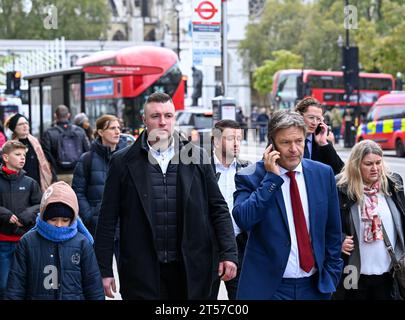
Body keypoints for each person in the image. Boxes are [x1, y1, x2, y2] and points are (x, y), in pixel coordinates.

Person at [94, 92, 237, 300]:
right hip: (141, 271)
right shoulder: (122, 162)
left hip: (190, 269)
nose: (163, 122)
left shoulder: (197, 156)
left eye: (168, 116)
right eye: (155, 116)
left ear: (174, 119)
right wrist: (104, 269)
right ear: (144, 120)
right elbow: (107, 218)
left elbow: (218, 208)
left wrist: (228, 254)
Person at [232, 110, 343, 300]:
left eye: (299, 141)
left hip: (315, 287)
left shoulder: (323, 174)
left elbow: (332, 231)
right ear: (271, 145)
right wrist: (271, 179)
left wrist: (331, 275)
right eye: (285, 142)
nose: (294, 149)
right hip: (270, 289)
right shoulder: (250, 175)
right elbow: (244, 219)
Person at [6, 181, 105, 300]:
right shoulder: (27, 242)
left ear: (72, 218)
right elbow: (16, 285)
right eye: (53, 219)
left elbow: (93, 286)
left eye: (65, 220)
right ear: (44, 216)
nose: (59, 225)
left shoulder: (82, 243)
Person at [334, 140, 405, 300]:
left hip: (389, 271)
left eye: (378, 162)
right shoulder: (341, 188)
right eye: (368, 164)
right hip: (352, 271)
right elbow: (325, 224)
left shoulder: (393, 184)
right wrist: (340, 239)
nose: (375, 168)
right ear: (356, 165)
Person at [210, 119, 251, 300]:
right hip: (209, 246)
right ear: (217, 140)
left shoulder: (247, 169)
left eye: (239, 138)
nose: (236, 144)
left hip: (239, 246)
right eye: (230, 138)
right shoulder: (201, 168)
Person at [0, 140, 42, 299]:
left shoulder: (30, 182)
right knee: (3, 284)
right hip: (2, 241)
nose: (22, 158)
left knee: (27, 282)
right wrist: (6, 215)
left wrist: (25, 216)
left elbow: (39, 204)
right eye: (17, 155)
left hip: (25, 240)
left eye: (24, 155)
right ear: (5, 157)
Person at [5, 113, 55, 192]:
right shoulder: (10, 146)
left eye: (26, 123)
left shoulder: (35, 142)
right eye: (20, 124)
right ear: (14, 128)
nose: (25, 126)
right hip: (20, 186)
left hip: (37, 185)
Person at [42, 105, 90, 185]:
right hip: (76, 173)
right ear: (68, 115)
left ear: (55, 115)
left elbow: (46, 155)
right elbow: (87, 151)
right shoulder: (79, 131)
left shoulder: (49, 133)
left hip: (57, 174)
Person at [295, 97, 344, 175]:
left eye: (318, 119)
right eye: (311, 118)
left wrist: (324, 144)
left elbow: (340, 170)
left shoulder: (323, 138)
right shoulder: (288, 137)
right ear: (299, 116)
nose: (314, 123)